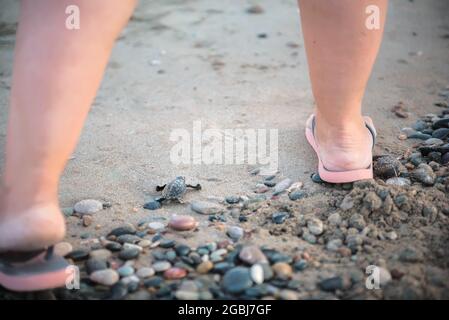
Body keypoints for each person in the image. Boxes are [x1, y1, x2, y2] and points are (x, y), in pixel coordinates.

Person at [0, 0, 387, 291]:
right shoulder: (181, 188)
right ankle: (342, 137)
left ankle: (30, 206)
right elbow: (181, 189)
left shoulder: (173, 189)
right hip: (175, 198)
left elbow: (172, 190)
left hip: (170, 198)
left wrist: (171, 195)